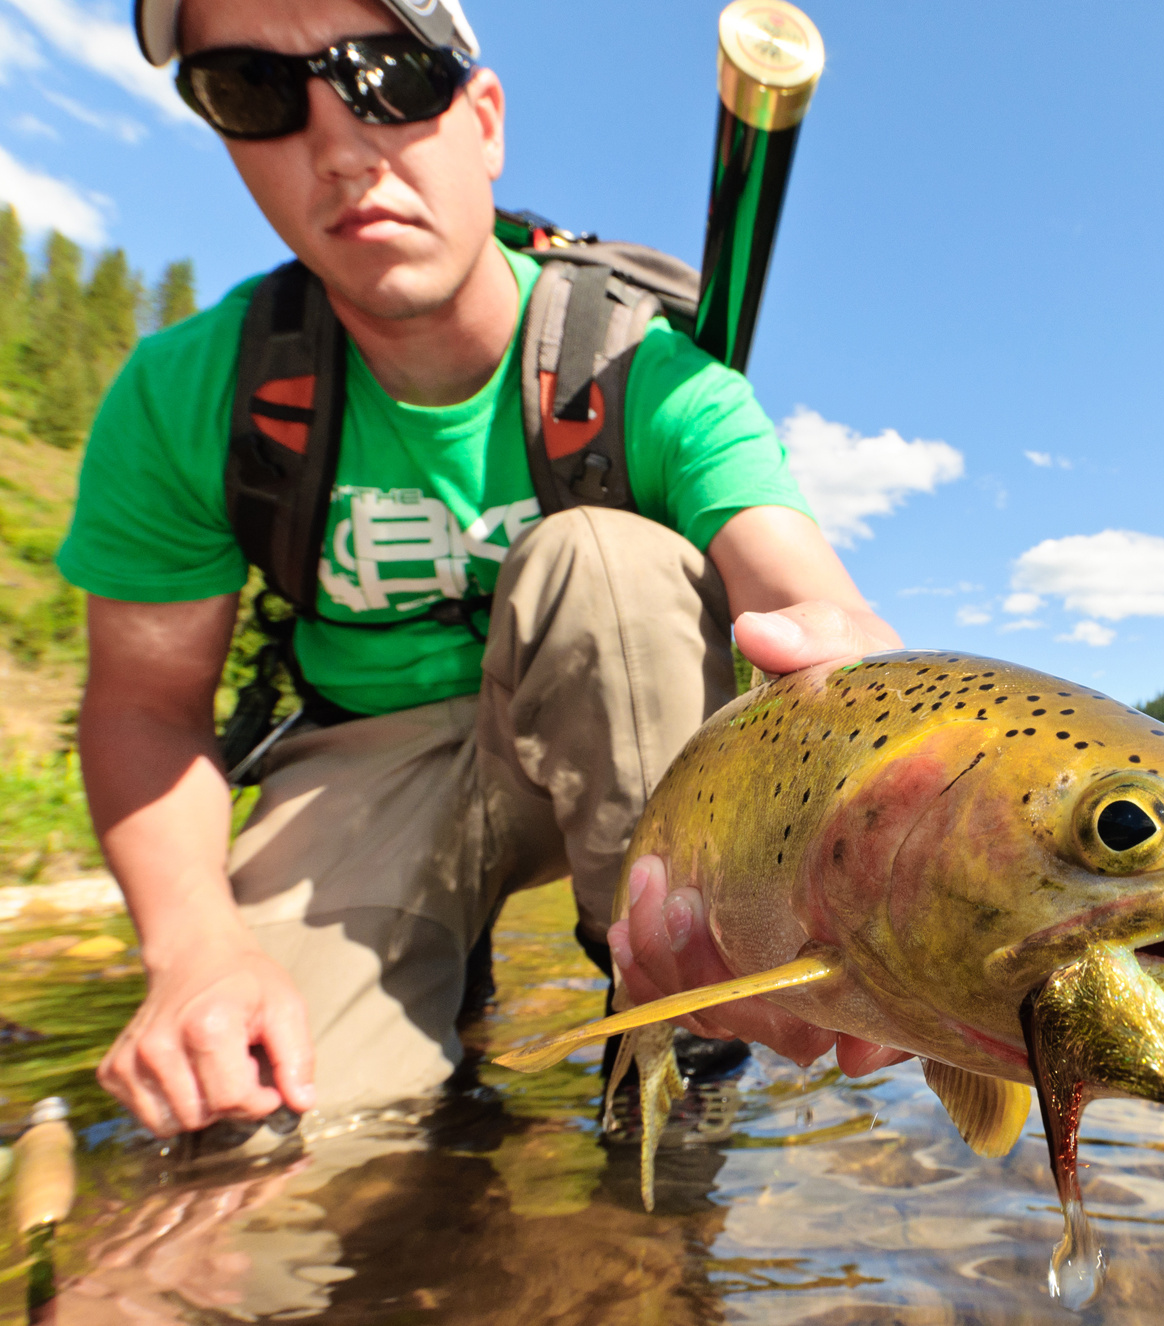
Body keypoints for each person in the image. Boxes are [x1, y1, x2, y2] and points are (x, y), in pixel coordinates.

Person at [62, 0, 908, 1142]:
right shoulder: (187, 396)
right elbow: (146, 707)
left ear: (485, 119)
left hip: (629, 768)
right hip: (360, 763)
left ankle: (675, 1011)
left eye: (389, 78)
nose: (340, 145)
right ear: (223, 136)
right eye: (251, 91)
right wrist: (195, 949)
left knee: (607, 559)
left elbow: (810, 610)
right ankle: (438, 982)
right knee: (256, 1126)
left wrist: (885, 821)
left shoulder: (655, 373)